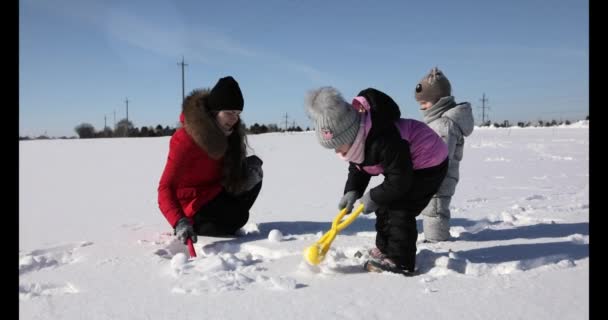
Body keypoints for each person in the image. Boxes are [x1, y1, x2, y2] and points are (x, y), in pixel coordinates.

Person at [304, 86, 448, 275]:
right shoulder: (361, 141)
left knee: (400, 209)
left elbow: (400, 181)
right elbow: (359, 168)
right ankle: (384, 250)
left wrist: (372, 196)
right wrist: (352, 191)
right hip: (404, 168)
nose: (337, 152)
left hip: (429, 163)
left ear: (351, 134)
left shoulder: (384, 141)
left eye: (338, 145)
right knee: (385, 204)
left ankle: (401, 260)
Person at [158, 76, 263, 245]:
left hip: (213, 193)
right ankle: (205, 225)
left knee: (253, 171)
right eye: (229, 113)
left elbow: (228, 172)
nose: (234, 119)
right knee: (236, 219)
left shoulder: (229, 134)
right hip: (192, 205)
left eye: (237, 114)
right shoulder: (185, 140)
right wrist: (179, 221)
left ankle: (227, 220)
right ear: (214, 112)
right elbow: (165, 188)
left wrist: (243, 177)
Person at [415, 67, 474, 242]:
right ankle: (435, 238)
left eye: (425, 103)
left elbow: (439, 156)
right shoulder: (439, 123)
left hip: (439, 178)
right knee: (432, 208)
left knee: (435, 209)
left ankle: (437, 242)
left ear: (439, 101)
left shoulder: (443, 126)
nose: (422, 108)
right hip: (436, 177)